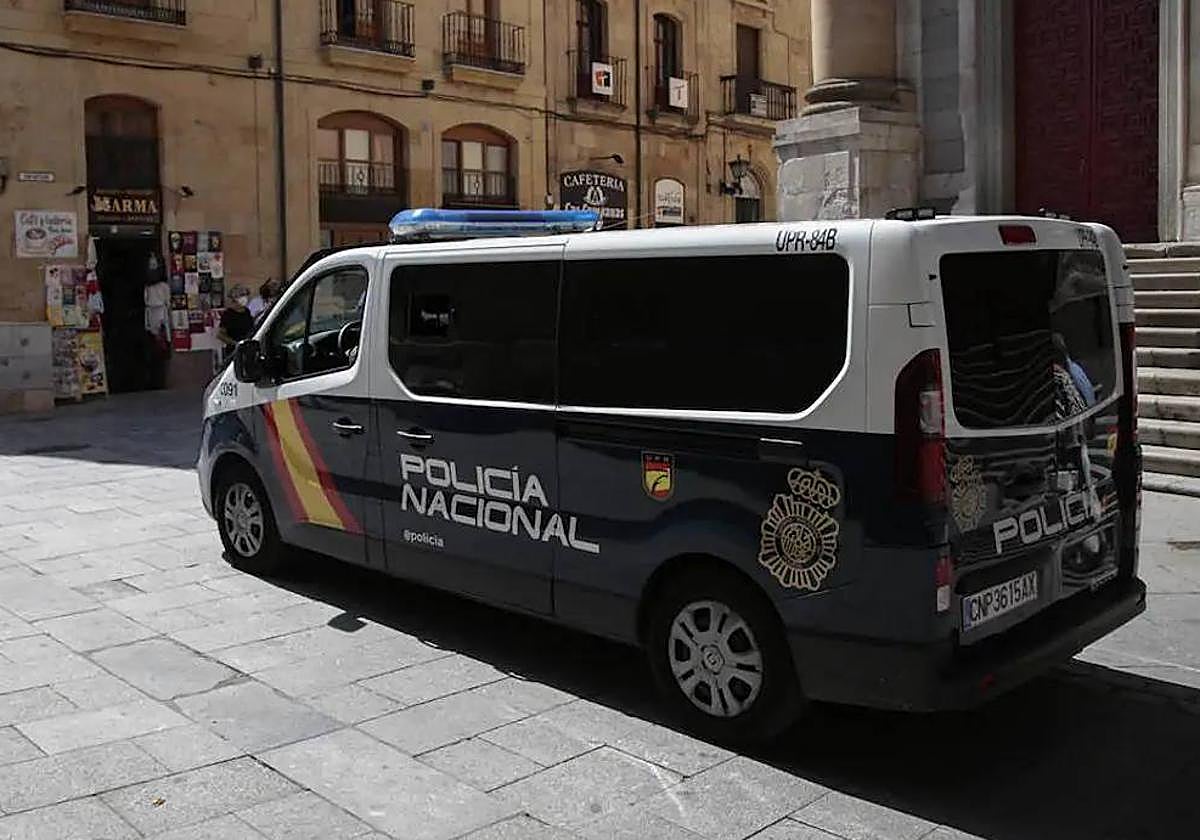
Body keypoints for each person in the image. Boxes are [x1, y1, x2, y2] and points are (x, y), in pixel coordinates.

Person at [217, 286, 255, 361]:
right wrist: (235, 343)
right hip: (234, 351)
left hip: (248, 350)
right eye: (241, 295)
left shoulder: (247, 312)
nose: (245, 298)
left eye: (245, 295)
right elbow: (220, 335)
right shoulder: (228, 314)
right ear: (234, 298)